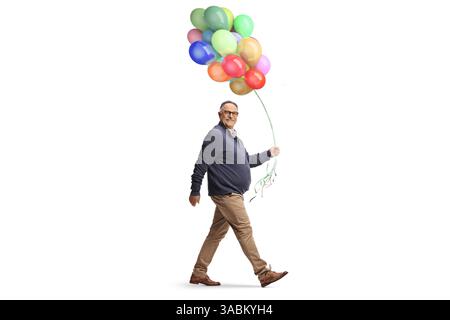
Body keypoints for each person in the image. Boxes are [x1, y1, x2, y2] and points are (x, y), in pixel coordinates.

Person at [188, 100, 288, 288]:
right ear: (219, 114)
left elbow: (246, 161)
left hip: (232, 194)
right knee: (244, 229)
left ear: (237, 116)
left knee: (215, 234)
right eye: (227, 112)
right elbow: (201, 163)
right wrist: (195, 190)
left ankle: (198, 273)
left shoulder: (236, 140)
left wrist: (268, 153)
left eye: (234, 113)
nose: (230, 116)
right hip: (226, 193)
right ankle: (263, 273)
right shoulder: (215, 135)